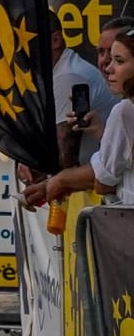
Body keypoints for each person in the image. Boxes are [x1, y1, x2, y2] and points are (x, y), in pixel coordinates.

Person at [25, 26, 134, 209]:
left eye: (119, 61)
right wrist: (102, 132)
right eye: (102, 52)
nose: (108, 68)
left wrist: (58, 181)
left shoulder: (125, 111)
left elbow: (103, 182)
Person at [52, 20, 113, 168]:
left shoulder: (69, 75)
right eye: (100, 52)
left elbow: (64, 161)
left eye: (118, 57)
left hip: (94, 185)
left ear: (56, 40)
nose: (106, 62)